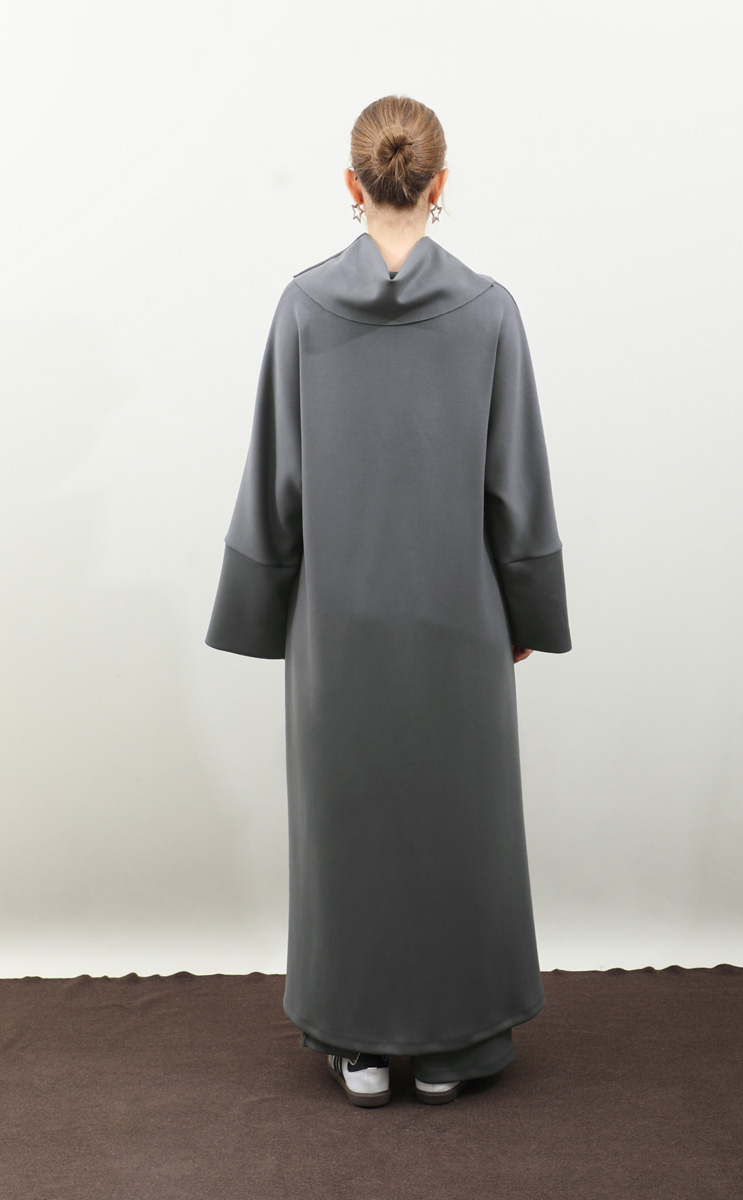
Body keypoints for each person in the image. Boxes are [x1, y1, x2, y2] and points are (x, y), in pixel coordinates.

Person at [205, 94, 572, 1108]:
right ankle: (456, 1051)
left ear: (351, 183)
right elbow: (516, 487)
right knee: (457, 829)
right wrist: (526, 613)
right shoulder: (489, 310)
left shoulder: (302, 307)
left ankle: (358, 1047)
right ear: (439, 184)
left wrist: (262, 608)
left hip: (337, 626)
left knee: (352, 831)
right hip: (459, 622)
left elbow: (276, 479)